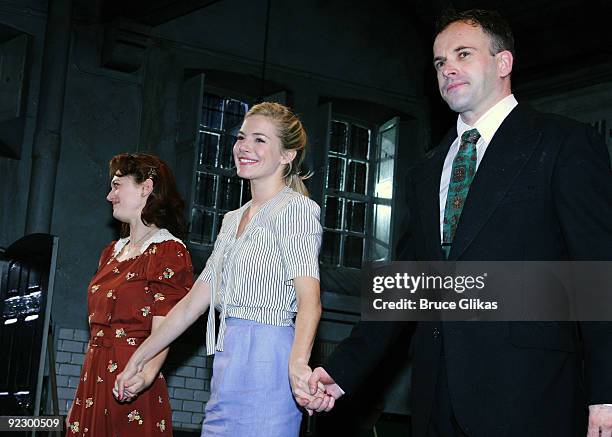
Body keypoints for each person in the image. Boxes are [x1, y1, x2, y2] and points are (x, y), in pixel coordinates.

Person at [303, 9, 612, 437]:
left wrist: (605, 394)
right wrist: (343, 371)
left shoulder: (564, 143)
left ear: (503, 63)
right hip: (436, 397)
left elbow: (597, 276)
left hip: (530, 393)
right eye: (439, 62)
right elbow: (408, 285)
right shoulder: (427, 169)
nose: (448, 68)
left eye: (463, 54)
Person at [114, 102, 325, 436]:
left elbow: (309, 301)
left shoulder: (296, 210)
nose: (244, 147)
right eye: (242, 137)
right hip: (227, 362)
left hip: (270, 360)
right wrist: (140, 358)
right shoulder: (231, 220)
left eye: (260, 140)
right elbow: (189, 307)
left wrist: (298, 363)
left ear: (287, 155)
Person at [65, 153, 194, 436]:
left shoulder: (168, 252)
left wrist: (145, 375)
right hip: (93, 375)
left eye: (116, 185)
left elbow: (166, 328)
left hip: (132, 375)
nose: (109, 196)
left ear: (146, 188)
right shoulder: (110, 253)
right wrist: (79, 398)